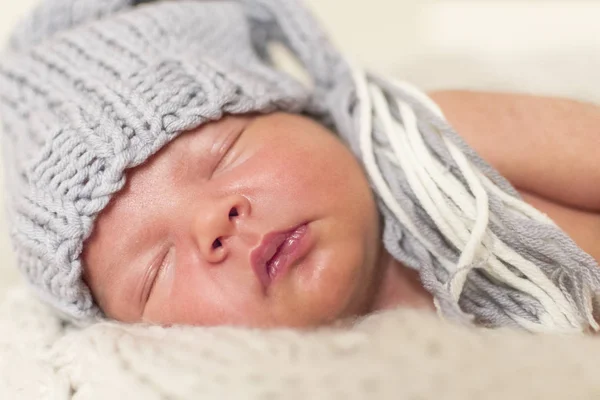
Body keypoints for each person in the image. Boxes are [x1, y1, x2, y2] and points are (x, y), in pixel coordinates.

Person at [1, 0, 599, 332]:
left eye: (223, 155)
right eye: (156, 270)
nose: (216, 221)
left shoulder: (435, 144)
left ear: (305, 113)